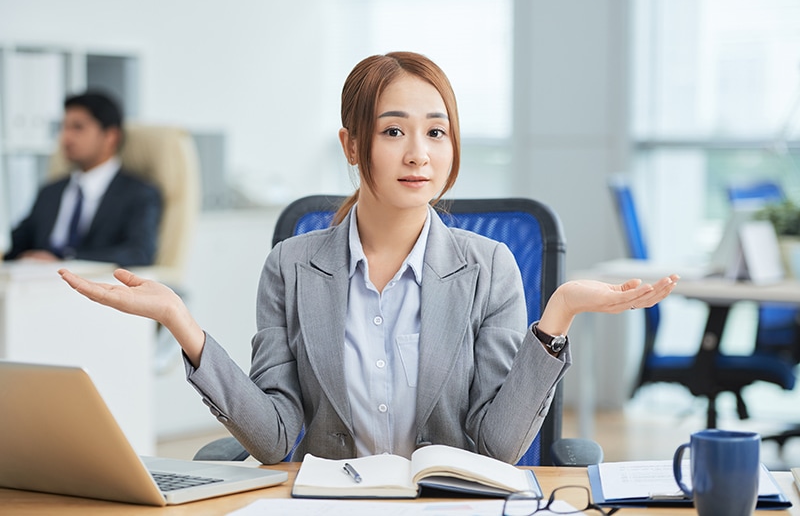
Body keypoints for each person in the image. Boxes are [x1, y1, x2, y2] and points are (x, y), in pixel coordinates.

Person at [59, 52, 678, 465]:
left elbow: (495, 450)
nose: (420, 155)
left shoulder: (491, 267)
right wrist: (181, 324)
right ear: (352, 144)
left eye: (436, 132)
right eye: (393, 131)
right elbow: (276, 440)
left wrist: (559, 316)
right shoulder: (291, 266)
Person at [4, 91, 162, 267]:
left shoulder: (138, 193)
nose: (66, 138)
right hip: (34, 283)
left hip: (94, 287)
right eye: (64, 128)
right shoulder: (50, 191)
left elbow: (138, 253)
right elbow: (16, 247)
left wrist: (66, 261)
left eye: (78, 127)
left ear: (111, 136)